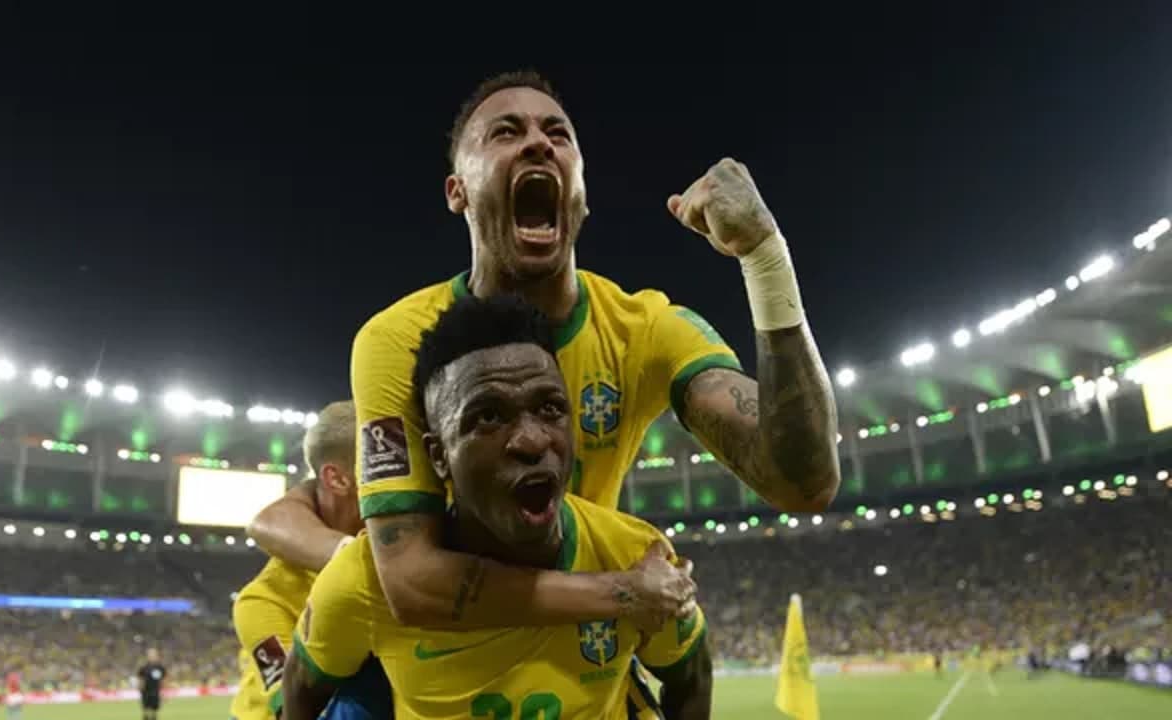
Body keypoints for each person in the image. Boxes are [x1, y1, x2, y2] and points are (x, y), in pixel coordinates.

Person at [342, 69, 840, 632]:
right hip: (453, 669)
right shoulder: (398, 340)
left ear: (581, 192)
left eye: (558, 134)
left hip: (590, 662)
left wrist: (765, 257)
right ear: (457, 190)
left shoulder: (646, 329)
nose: (538, 142)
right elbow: (411, 581)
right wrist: (624, 594)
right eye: (505, 133)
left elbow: (804, 481)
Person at [282, 295, 713, 720]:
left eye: (550, 408)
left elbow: (691, 676)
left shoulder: (638, 554)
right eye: (488, 417)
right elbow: (301, 689)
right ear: (439, 456)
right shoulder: (362, 582)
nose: (532, 440)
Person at [229, 400, 390, 720]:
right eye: (384, 464)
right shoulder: (263, 601)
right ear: (338, 479)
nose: (402, 479)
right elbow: (291, 707)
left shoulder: (404, 545)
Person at [137, 648, 166, 720]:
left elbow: (164, 680)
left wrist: (164, 693)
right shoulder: (143, 667)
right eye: (150, 655)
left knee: (154, 712)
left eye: (153, 655)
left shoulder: (160, 667)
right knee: (145, 711)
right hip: (145, 692)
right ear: (147, 656)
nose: (152, 656)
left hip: (155, 692)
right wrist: (140, 689)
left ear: (157, 656)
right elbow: (140, 679)